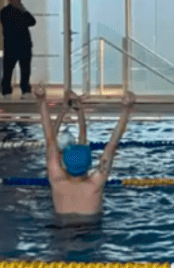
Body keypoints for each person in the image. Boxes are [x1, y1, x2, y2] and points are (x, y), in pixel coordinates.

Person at [33, 85, 135, 221]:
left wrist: (41, 100)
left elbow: (50, 140)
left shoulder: (57, 181)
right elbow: (111, 145)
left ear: (64, 162)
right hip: (90, 231)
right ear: (89, 164)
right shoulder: (94, 184)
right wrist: (126, 109)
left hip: (61, 232)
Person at [0, 0, 37, 98]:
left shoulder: (22, 11)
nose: (17, 1)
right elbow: (11, 25)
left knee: (25, 69)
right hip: (11, 45)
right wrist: (22, 21)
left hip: (24, 45)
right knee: (8, 69)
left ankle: (25, 88)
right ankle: (6, 89)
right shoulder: (5, 11)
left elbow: (32, 22)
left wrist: (24, 11)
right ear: (10, 0)